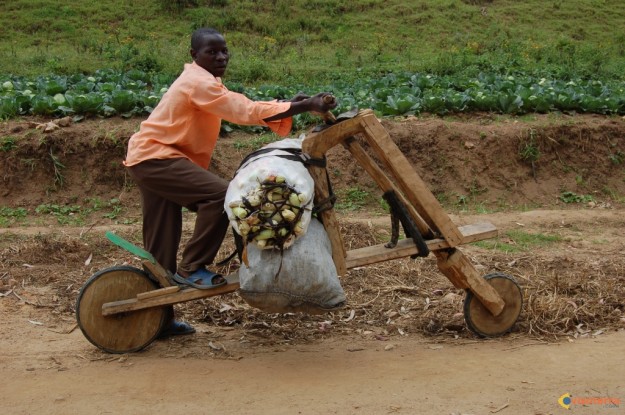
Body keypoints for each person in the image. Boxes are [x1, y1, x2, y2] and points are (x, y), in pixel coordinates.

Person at [124, 27, 336, 338]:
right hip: (157, 159)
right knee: (223, 198)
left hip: (151, 157)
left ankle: (158, 321)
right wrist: (301, 106)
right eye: (213, 52)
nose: (222, 57)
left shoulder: (205, 81)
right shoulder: (197, 82)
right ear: (195, 56)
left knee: (160, 243)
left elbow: (239, 103)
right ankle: (192, 268)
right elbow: (243, 109)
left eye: (224, 51)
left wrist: (286, 105)